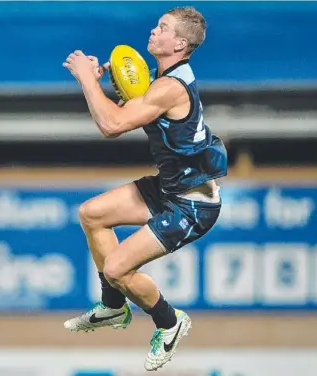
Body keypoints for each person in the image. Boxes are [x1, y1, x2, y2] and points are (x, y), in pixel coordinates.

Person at [61, 6, 228, 372]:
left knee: (118, 268)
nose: (153, 31)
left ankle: (169, 323)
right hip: (170, 188)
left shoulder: (169, 87)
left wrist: (86, 79)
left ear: (179, 43)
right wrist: (104, 83)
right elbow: (123, 108)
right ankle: (113, 307)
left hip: (192, 205)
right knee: (92, 215)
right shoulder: (160, 77)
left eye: (163, 28)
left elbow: (111, 125)